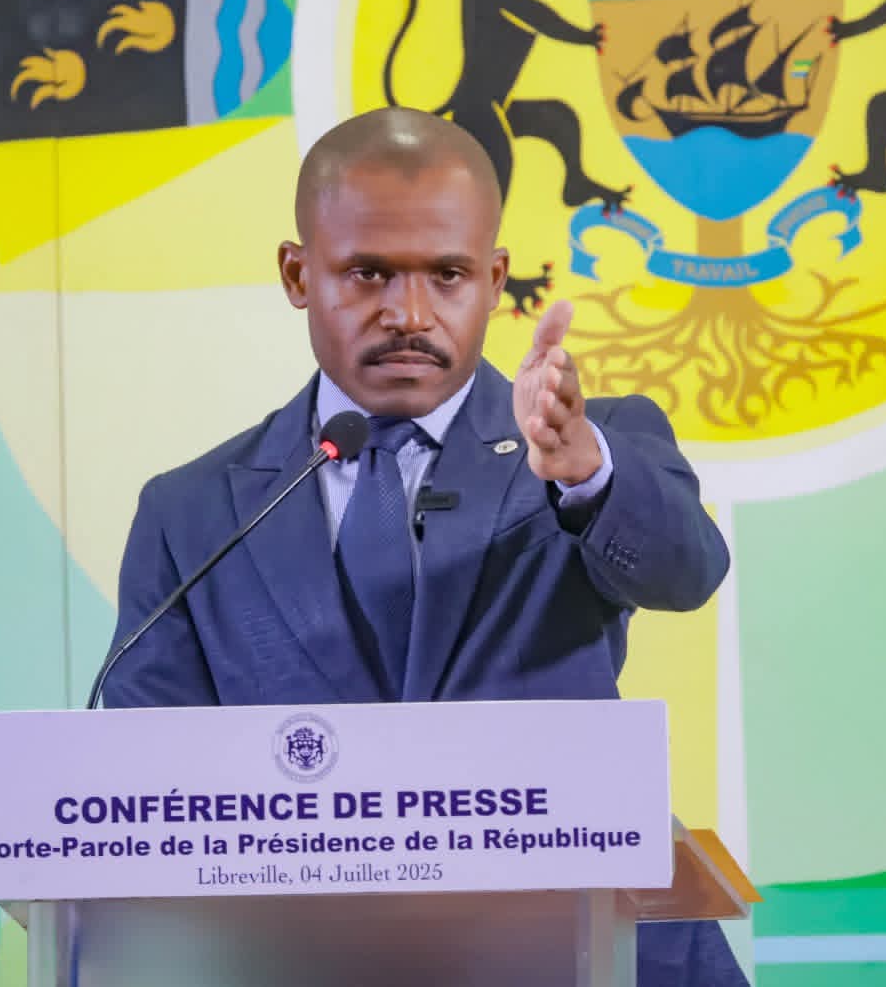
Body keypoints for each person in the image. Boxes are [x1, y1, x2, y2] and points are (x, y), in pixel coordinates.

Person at [103, 107, 744, 985]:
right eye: (368, 272)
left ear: (494, 278)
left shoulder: (588, 446)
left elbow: (689, 570)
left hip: (590, 948)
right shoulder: (192, 512)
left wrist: (584, 469)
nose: (409, 313)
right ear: (297, 274)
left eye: (447, 274)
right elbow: (146, 788)